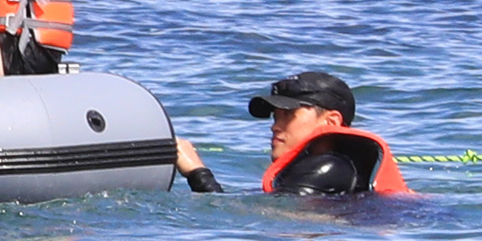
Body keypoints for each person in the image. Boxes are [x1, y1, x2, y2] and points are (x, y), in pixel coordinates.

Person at [174, 68, 412, 197]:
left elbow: (245, 221)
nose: (275, 125)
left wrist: (197, 172)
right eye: (275, 116)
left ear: (331, 122)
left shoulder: (327, 168)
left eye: (289, 115)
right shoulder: (334, 169)